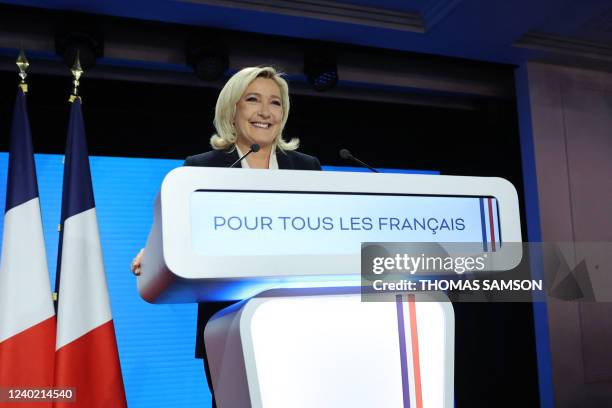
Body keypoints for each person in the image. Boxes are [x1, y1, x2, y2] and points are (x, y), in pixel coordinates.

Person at [131, 66, 321, 407]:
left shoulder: (307, 167)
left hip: (298, 321)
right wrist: (153, 251)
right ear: (232, 109)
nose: (265, 112)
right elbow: (174, 227)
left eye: (275, 103)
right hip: (227, 323)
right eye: (253, 100)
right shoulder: (203, 167)